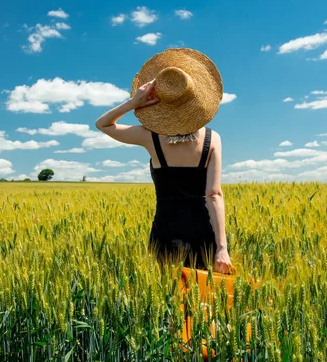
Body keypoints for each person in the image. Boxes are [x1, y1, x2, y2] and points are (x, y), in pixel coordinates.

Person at [95, 48, 234, 274]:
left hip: (166, 232)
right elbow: (214, 195)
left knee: (169, 297)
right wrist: (222, 249)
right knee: (204, 302)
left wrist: (133, 103)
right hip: (203, 234)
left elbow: (103, 124)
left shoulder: (150, 136)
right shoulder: (212, 139)